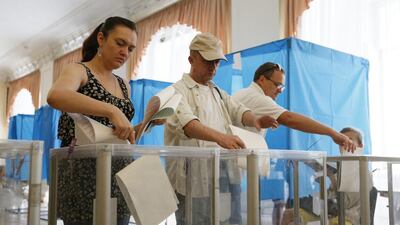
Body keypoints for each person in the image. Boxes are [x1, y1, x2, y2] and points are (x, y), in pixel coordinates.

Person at [165, 33, 278, 225]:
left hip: (223, 174)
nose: (213, 67)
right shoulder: (176, 91)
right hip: (192, 179)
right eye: (208, 61)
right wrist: (221, 138)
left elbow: (238, 110)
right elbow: (188, 125)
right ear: (191, 59)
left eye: (217, 62)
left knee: (228, 220)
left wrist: (255, 120)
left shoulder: (217, 91)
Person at [232, 62, 356, 225]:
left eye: (282, 87)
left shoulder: (247, 95)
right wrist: (332, 133)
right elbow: (290, 119)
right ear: (261, 80)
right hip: (228, 167)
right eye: (277, 85)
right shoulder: (256, 97)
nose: (279, 90)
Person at [47, 16, 138, 225]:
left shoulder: (124, 85)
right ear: (101, 39)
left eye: (131, 48)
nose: (125, 52)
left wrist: (140, 126)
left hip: (119, 173)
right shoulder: (78, 70)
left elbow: (116, 129)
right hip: (81, 173)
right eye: (120, 43)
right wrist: (111, 110)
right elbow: (56, 96)